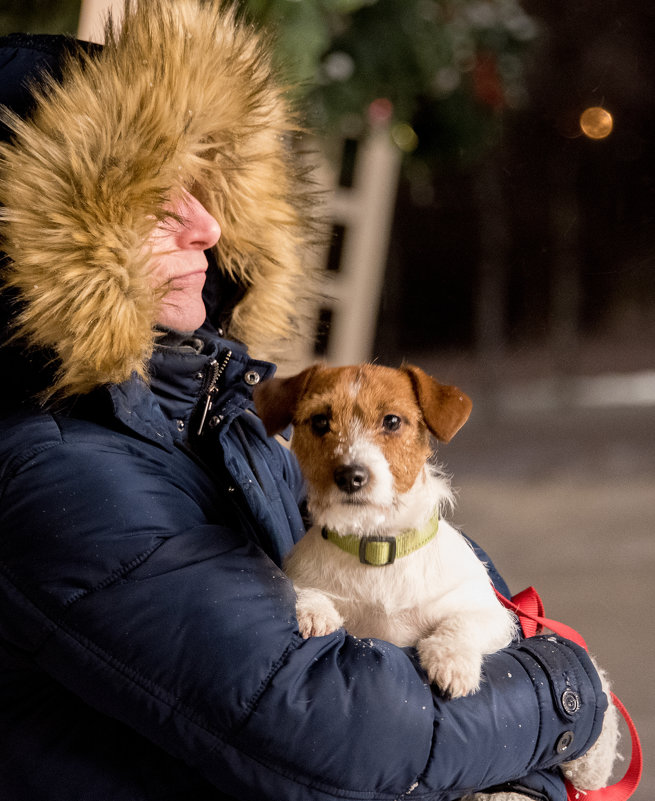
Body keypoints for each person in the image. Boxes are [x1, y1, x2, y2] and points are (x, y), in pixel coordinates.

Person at [0, 2, 608, 800]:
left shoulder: (217, 419)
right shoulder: (54, 467)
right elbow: (336, 731)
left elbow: (459, 612)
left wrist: (528, 774)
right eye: (151, 202)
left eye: (202, 187)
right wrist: (569, 693)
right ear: (47, 243)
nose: (207, 227)